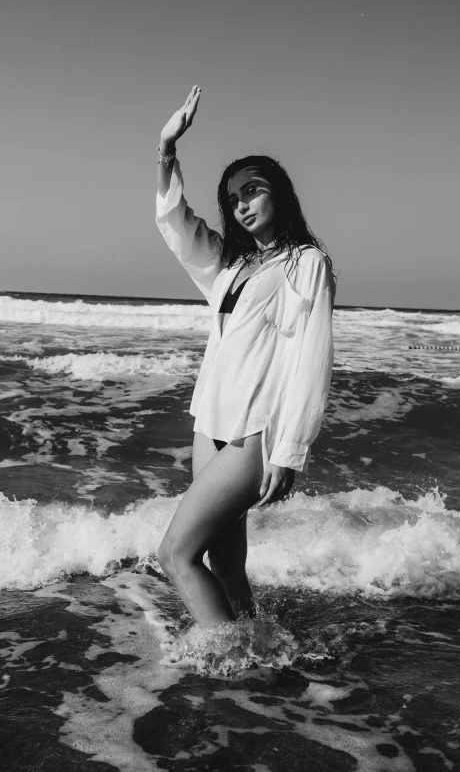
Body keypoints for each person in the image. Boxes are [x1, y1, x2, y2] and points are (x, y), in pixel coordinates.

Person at [155, 86, 335, 629]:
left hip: (253, 433)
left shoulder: (306, 262)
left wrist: (291, 450)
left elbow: (312, 358)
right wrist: (166, 150)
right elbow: (177, 228)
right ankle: (258, 656)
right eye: (233, 197)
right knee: (224, 560)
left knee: (175, 555)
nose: (241, 203)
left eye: (253, 191)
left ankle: (229, 664)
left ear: (279, 193)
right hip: (209, 423)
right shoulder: (229, 267)